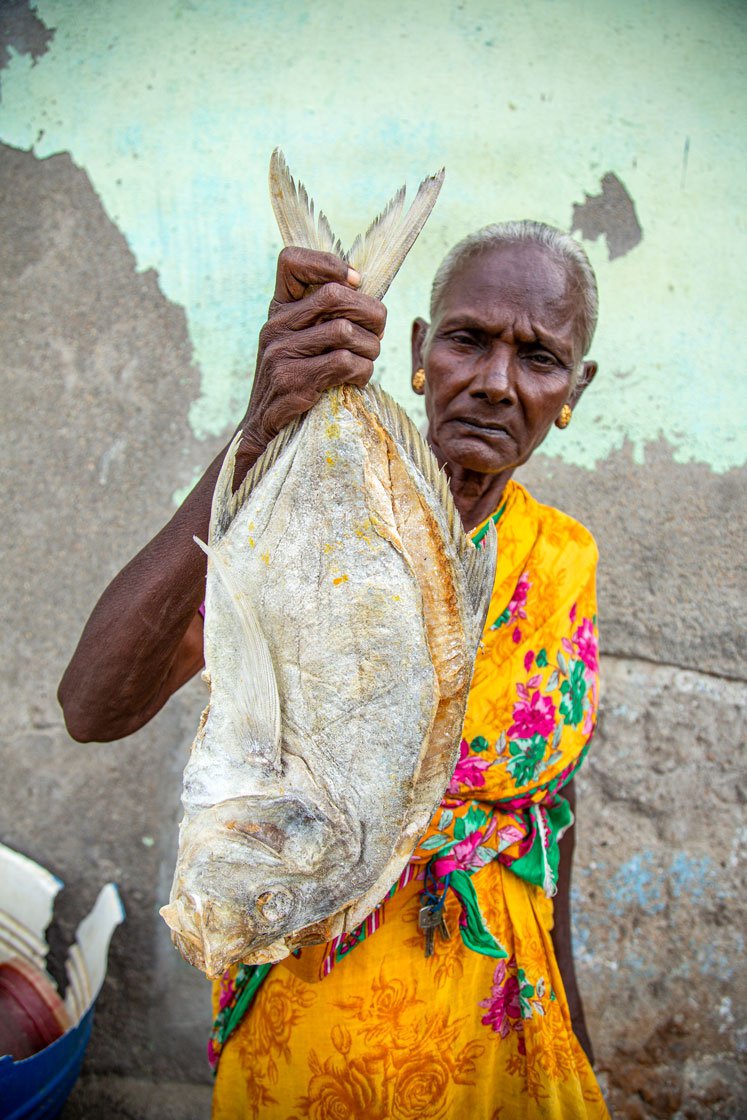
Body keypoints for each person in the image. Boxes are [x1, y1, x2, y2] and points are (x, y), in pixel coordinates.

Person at [59, 219, 609, 1119]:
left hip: (502, 1037)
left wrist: (576, 1037)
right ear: (422, 352)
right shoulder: (306, 531)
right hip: (315, 1043)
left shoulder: (562, 559)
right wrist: (257, 429)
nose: (497, 383)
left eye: (539, 357)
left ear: (572, 389)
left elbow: (548, 808)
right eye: (469, 340)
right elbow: (92, 707)